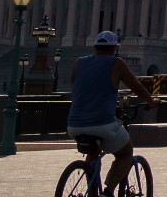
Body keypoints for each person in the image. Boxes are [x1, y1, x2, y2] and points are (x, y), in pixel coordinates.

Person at [65, 31, 156, 196]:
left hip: (74, 124)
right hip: (101, 123)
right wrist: (152, 102)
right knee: (126, 152)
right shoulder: (116, 63)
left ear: (95, 47)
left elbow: (76, 84)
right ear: (114, 48)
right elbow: (137, 88)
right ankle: (108, 191)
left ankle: (92, 192)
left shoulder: (79, 62)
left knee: (93, 153)